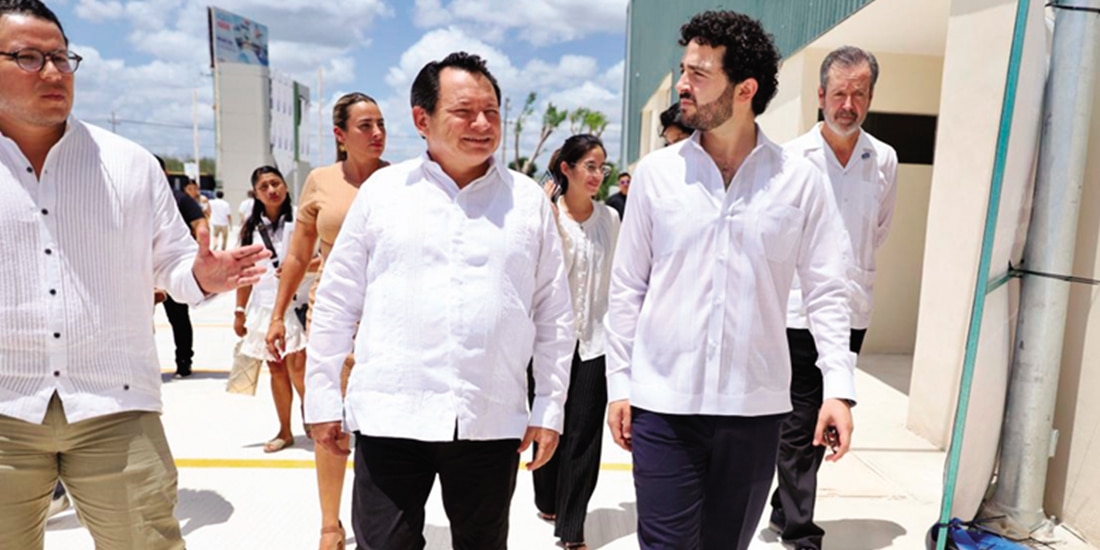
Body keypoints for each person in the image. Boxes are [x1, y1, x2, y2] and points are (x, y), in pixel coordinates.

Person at [0, 2, 270, 548]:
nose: (53, 72)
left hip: (114, 405)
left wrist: (202, 277)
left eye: (61, 57)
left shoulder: (127, 163)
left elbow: (172, 265)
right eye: (28, 58)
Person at [604, 11, 857, 550]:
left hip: (755, 409)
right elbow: (627, 287)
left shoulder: (799, 182)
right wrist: (619, 385)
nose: (681, 85)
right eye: (682, 69)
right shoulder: (655, 176)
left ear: (745, 89)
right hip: (664, 408)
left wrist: (839, 387)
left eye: (699, 74)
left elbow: (828, 289)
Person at [305, 51, 574, 550]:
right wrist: (322, 397)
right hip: (391, 414)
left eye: (491, 111)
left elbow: (554, 313)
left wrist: (549, 408)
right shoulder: (384, 193)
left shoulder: (527, 201)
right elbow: (338, 300)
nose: (481, 124)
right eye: (464, 111)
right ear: (422, 119)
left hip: (490, 419)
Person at [768, 45, 898, 550]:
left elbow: (879, 229)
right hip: (798, 312)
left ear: (869, 98)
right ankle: (801, 531)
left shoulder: (882, 158)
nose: (848, 104)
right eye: (839, 93)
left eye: (858, 94)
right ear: (820, 95)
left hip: (852, 311)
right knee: (801, 421)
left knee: (830, 411)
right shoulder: (791, 159)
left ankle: (784, 504)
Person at [265, 91, 388, 550]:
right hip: (332, 317)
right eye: (365, 126)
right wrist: (277, 315)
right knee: (327, 422)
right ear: (340, 135)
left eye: (381, 124)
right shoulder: (319, 181)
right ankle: (331, 524)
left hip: (386, 321)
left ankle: (378, 520)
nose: (377, 133)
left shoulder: (400, 182)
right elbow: (298, 253)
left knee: (380, 429)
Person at [533, 134, 620, 550]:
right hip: (548, 343)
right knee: (549, 425)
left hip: (595, 343)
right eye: (589, 166)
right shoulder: (546, 217)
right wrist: (547, 214)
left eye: (601, 167)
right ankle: (547, 498)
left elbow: (620, 284)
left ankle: (572, 529)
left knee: (583, 437)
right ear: (565, 169)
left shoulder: (610, 220)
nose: (597, 175)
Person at [235, 166, 309, 453]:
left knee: (300, 369)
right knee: (277, 370)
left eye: (275, 183)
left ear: (286, 187)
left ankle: (313, 418)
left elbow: (320, 258)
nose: (271, 190)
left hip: (295, 305)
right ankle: (285, 431)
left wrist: (295, 270)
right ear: (256, 193)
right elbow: (244, 273)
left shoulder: (303, 219)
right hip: (264, 307)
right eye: (264, 187)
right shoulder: (250, 229)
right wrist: (239, 311)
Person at [159, 156, 207, 378]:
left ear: (165, 174)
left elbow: (199, 223)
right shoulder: (134, 200)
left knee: (178, 318)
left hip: (173, 267)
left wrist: (198, 254)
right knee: (136, 320)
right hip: (140, 270)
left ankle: (184, 360)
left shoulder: (180, 199)